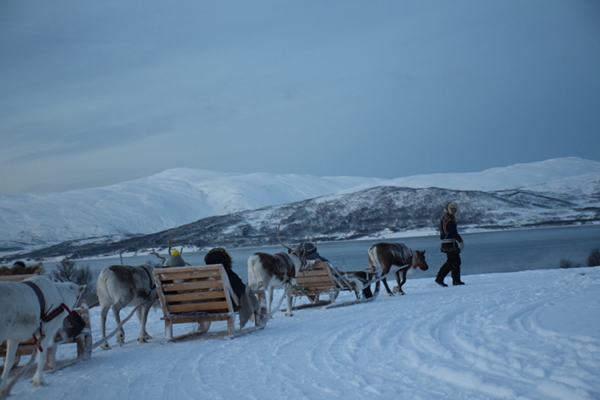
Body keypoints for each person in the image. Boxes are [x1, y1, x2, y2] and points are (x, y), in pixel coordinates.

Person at [435, 202, 465, 287]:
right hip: (450, 243)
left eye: (455, 209)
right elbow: (453, 232)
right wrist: (460, 241)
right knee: (451, 262)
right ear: (448, 209)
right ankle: (439, 278)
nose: (454, 210)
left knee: (456, 261)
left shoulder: (445, 217)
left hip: (448, 242)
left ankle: (456, 280)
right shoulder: (449, 219)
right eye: (452, 208)